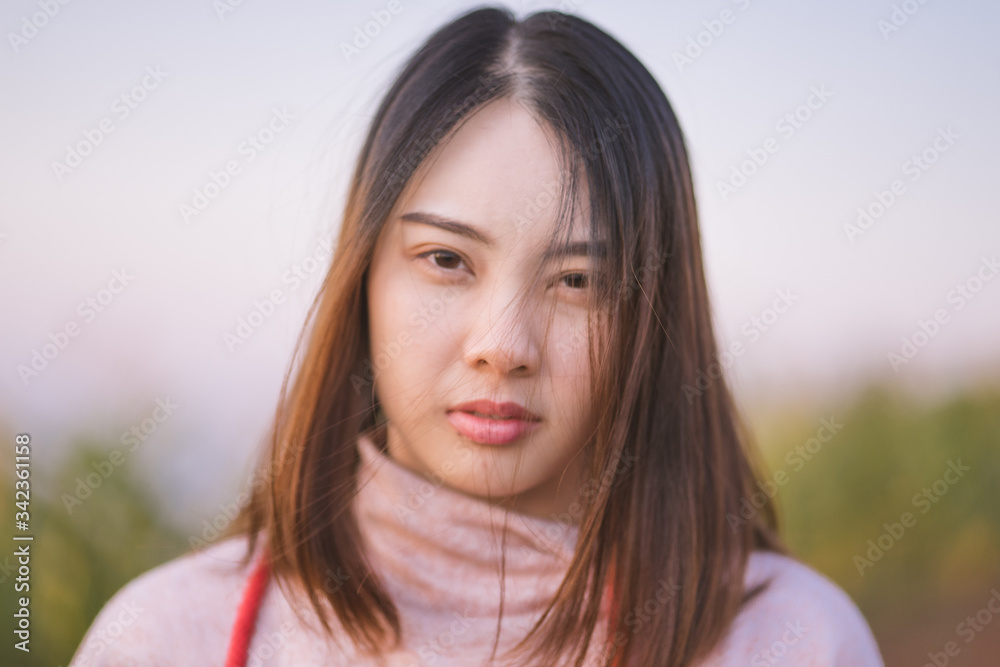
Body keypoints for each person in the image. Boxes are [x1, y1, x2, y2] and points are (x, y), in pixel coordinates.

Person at [68, 6, 885, 666]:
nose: (503, 344)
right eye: (447, 259)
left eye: (579, 281)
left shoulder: (793, 640)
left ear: (653, 319)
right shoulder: (164, 637)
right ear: (364, 283)